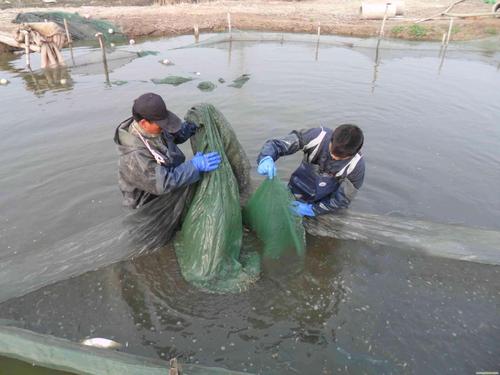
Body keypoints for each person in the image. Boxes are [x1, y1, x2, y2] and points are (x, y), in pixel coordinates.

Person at [114, 92, 221, 209]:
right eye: (161, 125)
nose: (164, 127)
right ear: (144, 123)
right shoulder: (133, 156)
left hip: (169, 182)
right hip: (149, 205)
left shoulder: (153, 127)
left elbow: (173, 135)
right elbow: (163, 183)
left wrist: (190, 128)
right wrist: (193, 166)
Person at [256, 124, 365, 217]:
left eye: (341, 158)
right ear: (331, 138)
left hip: (323, 203)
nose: (334, 157)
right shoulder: (317, 136)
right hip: (297, 188)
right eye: (332, 151)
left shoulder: (356, 167)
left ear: (354, 153)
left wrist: (314, 210)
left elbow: (342, 200)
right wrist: (266, 158)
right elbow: (277, 145)